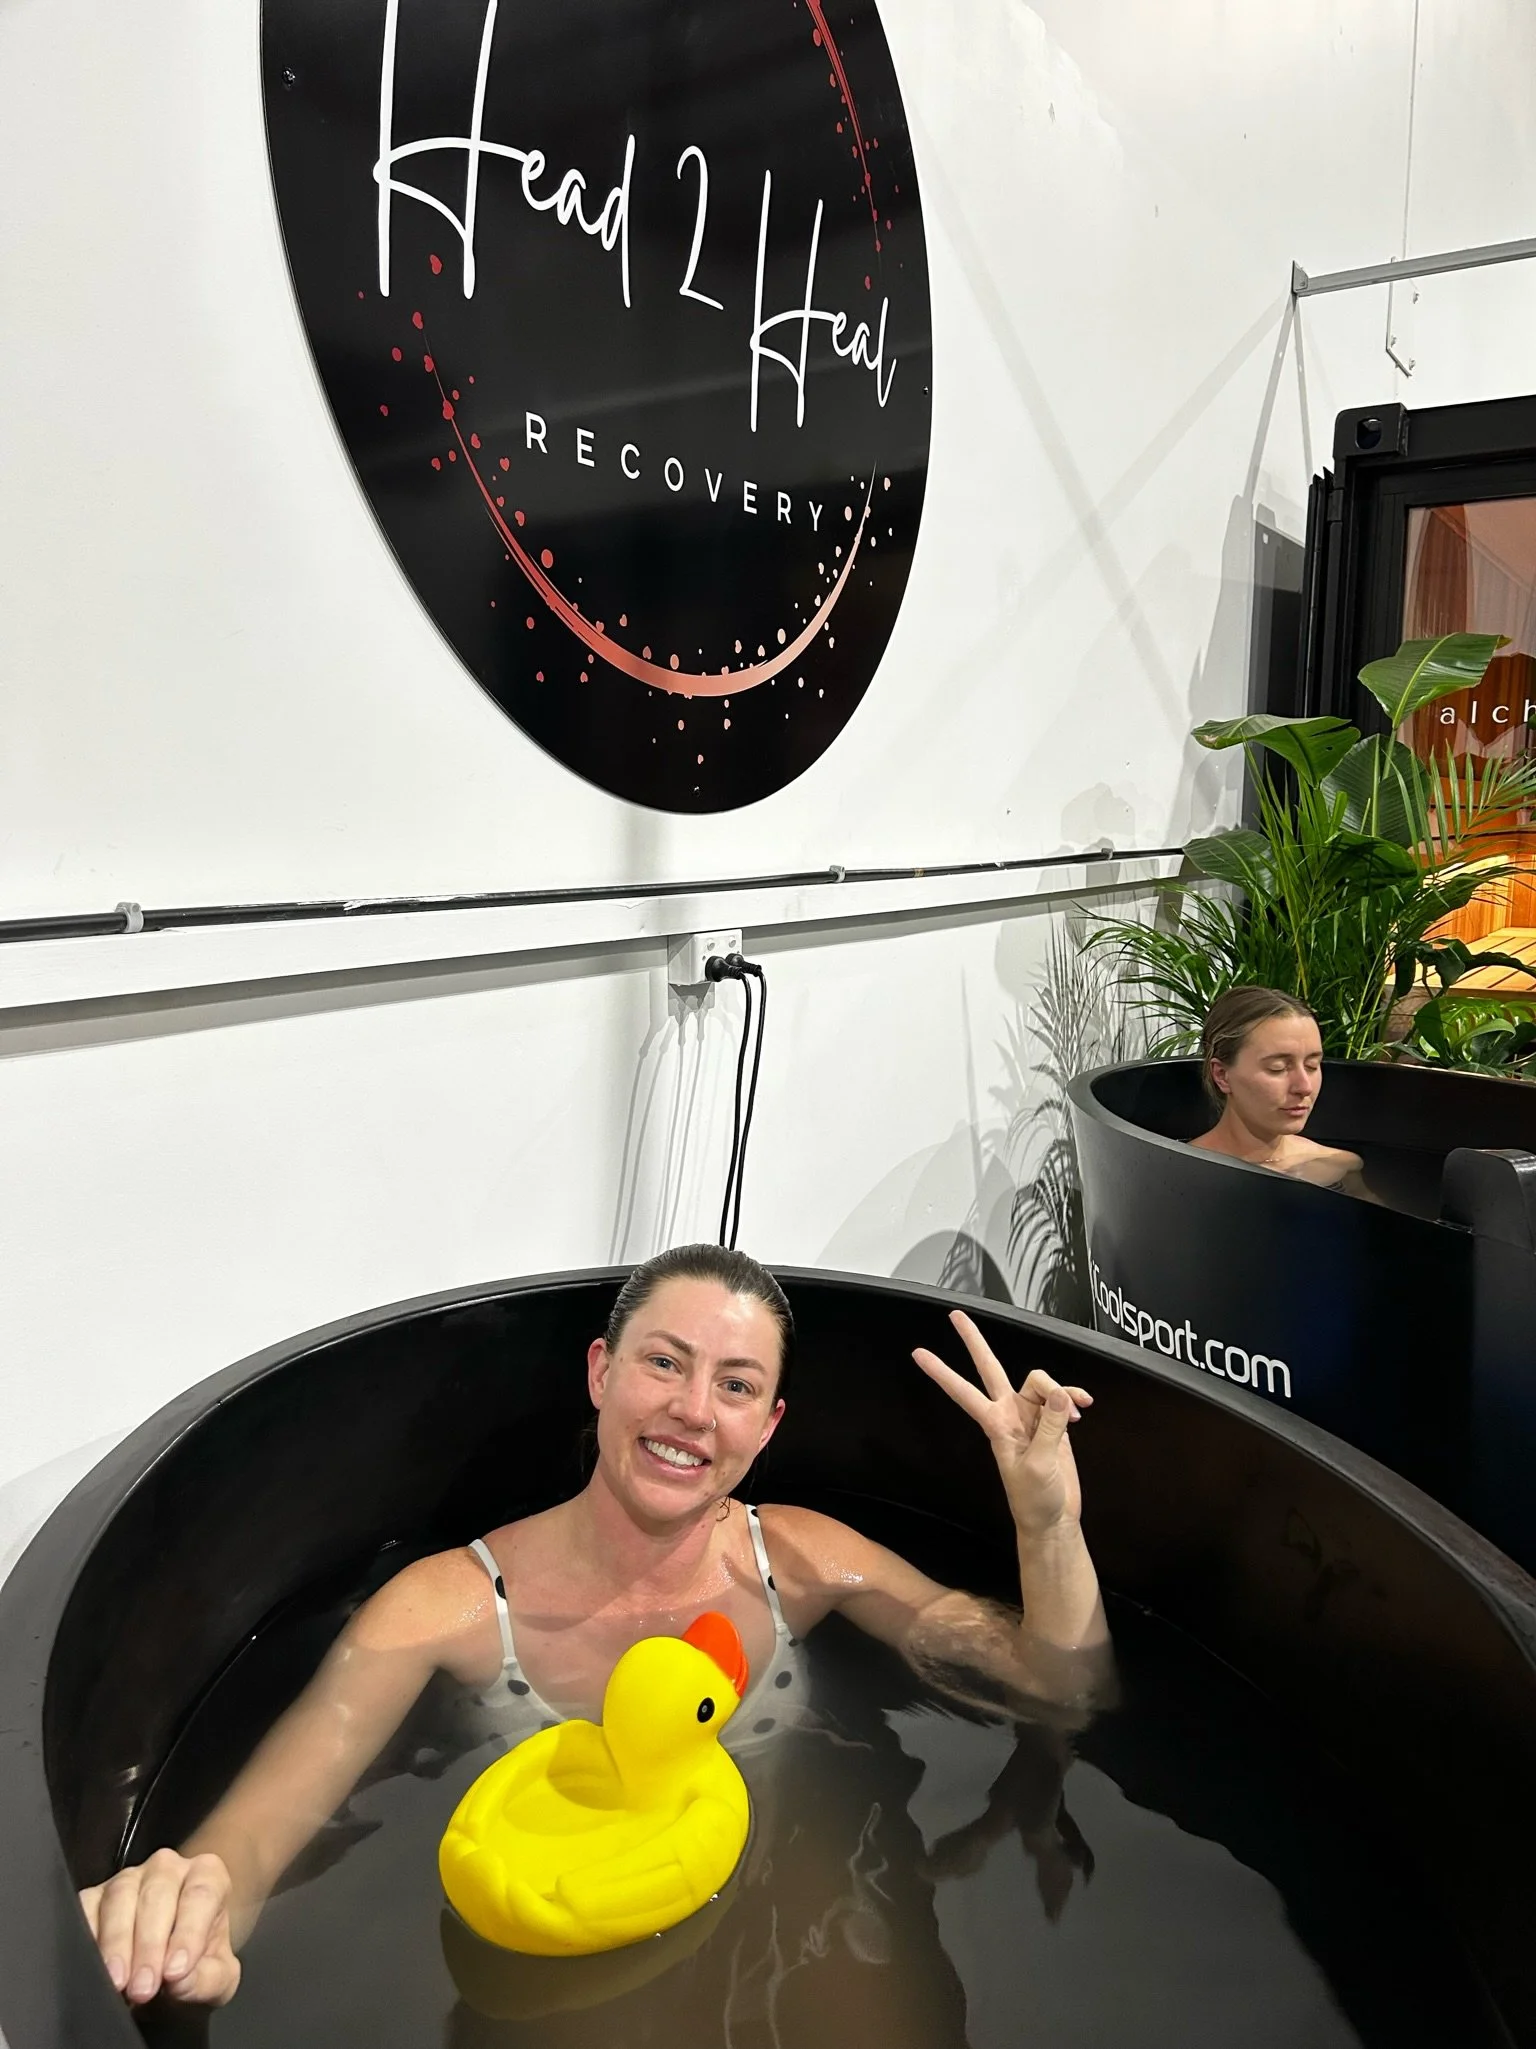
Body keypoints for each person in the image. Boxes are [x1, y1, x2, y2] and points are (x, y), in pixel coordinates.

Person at [79, 1243, 1110, 2012]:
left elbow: (1058, 1685)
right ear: (600, 1372)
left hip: (776, 1915)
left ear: (768, 1426)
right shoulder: (445, 1607)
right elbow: (255, 1839)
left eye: (736, 1385)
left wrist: (1048, 1523)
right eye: (664, 1362)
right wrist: (181, 1913)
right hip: (545, 1976)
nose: (694, 1410)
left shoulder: (804, 1561)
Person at [1189, 986, 1369, 1192]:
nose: (1304, 1087)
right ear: (1222, 1075)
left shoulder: (1341, 1166)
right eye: (1278, 1068)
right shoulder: (1179, 1171)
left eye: (1312, 1065)